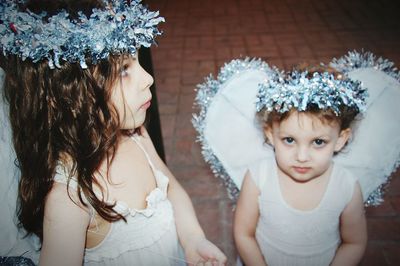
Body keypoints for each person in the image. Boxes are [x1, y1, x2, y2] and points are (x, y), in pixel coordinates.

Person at [0, 0, 227, 265]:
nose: (148, 79)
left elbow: (173, 189)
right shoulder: (71, 200)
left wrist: (193, 239)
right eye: (123, 71)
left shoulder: (137, 136)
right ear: (69, 96)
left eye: (137, 62)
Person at [233, 69, 368, 265]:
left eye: (318, 142)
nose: (302, 157)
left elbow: (354, 243)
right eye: (289, 140)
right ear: (270, 134)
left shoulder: (346, 186)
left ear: (340, 140)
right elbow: (244, 234)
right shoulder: (258, 177)